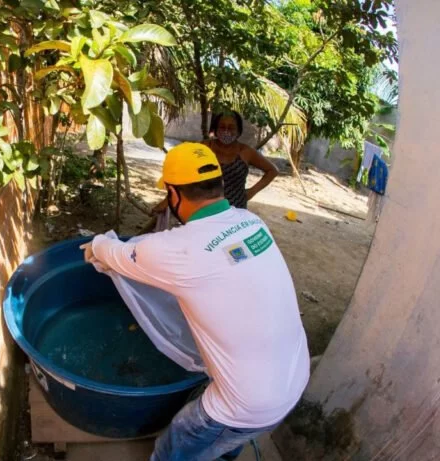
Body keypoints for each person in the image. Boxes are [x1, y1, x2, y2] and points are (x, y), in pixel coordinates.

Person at [81, 143, 309, 461]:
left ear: (174, 194)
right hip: (293, 378)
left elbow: (113, 253)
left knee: (172, 451)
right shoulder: (252, 223)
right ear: (219, 185)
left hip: (245, 406)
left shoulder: (178, 250)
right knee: (224, 445)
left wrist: (97, 244)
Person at [204, 110, 278, 209]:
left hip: (236, 208)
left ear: (238, 131)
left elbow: (272, 171)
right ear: (216, 129)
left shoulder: (245, 152)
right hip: (206, 208)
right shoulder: (204, 148)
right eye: (222, 127)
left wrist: (251, 192)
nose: (226, 131)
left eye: (231, 128)